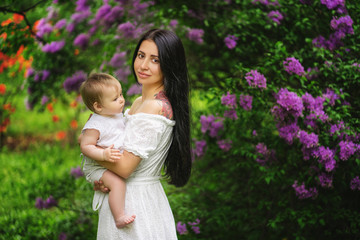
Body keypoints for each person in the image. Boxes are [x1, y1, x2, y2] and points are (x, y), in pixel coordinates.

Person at [82, 29, 192, 239]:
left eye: (155, 60)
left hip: (136, 205)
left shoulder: (154, 106)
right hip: (125, 198)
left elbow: (124, 167)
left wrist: (91, 149)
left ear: (169, 64)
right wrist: (103, 177)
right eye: (141, 55)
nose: (143, 65)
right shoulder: (140, 103)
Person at [79, 72, 136, 229]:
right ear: (98, 106)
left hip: (108, 162)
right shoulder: (95, 124)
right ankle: (119, 217)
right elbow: (85, 146)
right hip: (96, 166)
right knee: (118, 184)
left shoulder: (116, 115)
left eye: (121, 94)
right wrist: (103, 154)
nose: (122, 100)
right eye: (115, 99)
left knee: (119, 182)